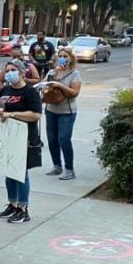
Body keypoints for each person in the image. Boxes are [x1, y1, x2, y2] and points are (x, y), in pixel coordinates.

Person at [0, 59, 43, 223]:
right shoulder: (5, 90)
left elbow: (36, 115)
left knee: (21, 173)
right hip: (7, 136)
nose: (9, 73)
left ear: (22, 72)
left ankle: (23, 208)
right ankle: (12, 204)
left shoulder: (30, 92)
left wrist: (12, 115)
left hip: (25, 137)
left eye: (13, 70)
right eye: (7, 71)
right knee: (9, 170)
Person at [43, 47, 83, 181]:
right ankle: (57, 165)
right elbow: (43, 86)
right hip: (51, 109)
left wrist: (59, 85)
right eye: (60, 55)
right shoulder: (52, 72)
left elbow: (74, 93)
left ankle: (69, 169)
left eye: (65, 56)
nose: (63, 58)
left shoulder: (74, 74)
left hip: (67, 111)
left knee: (64, 139)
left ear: (71, 58)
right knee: (52, 139)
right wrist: (49, 82)